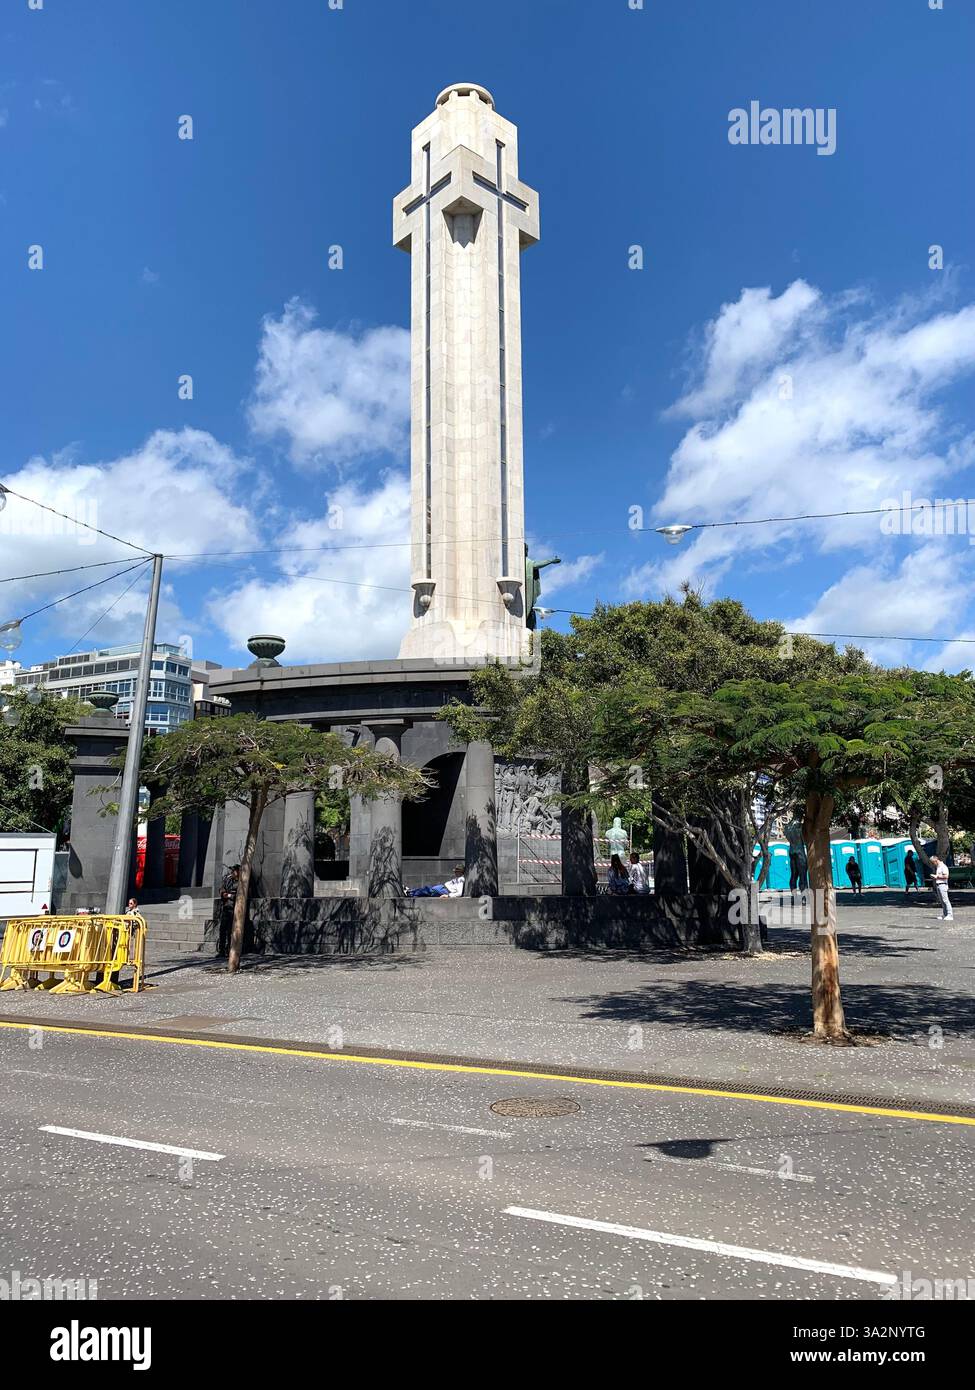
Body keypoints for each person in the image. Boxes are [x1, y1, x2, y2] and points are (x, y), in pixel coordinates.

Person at [219, 864, 240, 955]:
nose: (232, 873)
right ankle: (221, 950)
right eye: (231, 871)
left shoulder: (241, 882)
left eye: (234, 871)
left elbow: (239, 896)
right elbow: (222, 888)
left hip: (234, 909)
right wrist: (223, 892)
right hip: (226, 907)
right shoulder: (228, 880)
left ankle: (229, 950)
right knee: (222, 929)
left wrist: (229, 895)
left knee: (230, 931)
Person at [929, 855, 953, 923]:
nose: (933, 864)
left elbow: (946, 876)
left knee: (945, 900)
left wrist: (936, 876)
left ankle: (950, 915)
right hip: (939, 885)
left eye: (933, 862)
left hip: (943, 885)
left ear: (936, 861)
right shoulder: (938, 867)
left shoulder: (943, 866)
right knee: (942, 901)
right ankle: (945, 914)